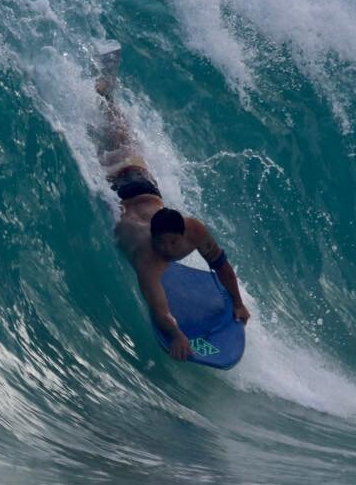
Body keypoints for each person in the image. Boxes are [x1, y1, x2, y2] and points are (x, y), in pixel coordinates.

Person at [92, 45, 250, 361]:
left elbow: (221, 266)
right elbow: (159, 308)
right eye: (161, 242)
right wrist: (177, 335)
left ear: (182, 233)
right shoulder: (148, 259)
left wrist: (237, 302)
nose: (166, 248)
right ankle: (99, 94)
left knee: (121, 136)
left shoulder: (194, 230)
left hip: (141, 180)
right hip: (117, 186)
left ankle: (104, 91)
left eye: (170, 242)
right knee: (104, 141)